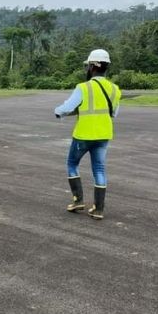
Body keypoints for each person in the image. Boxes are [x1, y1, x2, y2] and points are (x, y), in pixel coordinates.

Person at [54, 49, 122, 220]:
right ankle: (98, 209)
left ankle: (78, 200)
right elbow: (114, 114)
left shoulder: (83, 87)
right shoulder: (115, 89)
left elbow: (67, 108)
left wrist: (57, 111)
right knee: (99, 168)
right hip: (103, 135)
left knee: (72, 164)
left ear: (92, 66)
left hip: (83, 135)